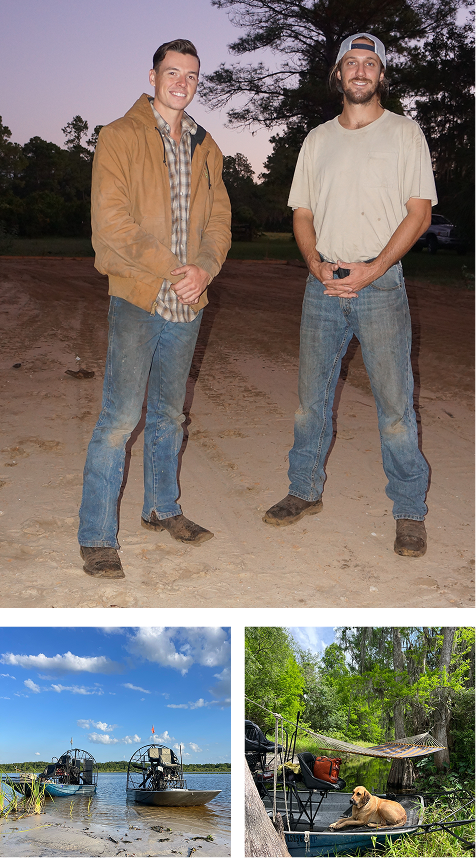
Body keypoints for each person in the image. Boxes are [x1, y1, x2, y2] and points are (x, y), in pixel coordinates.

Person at [263, 33, 436, 558]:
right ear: (338, 74)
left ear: (381, 75)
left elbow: (419, 214)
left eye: (370, 63)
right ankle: (303, 490)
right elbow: (302, 213)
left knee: (395, 406)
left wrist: (373, 269)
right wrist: (314, 263)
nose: (360, 71)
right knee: (309, 402)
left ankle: (409, 510)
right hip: (323, 284)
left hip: (380, 285)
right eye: (351, 63)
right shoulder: (317, 140)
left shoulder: (405, 133)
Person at [78, 39, 231, 577]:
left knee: (169, 413)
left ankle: (163, 508)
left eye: (191, 75)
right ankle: (97, 535)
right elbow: (111, 223)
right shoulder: (119, 136)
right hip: (140, 296)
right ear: (152, 76)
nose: (182, 82)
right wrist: (173, 268)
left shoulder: (206, 145)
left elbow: (219, 222)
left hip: (188, 301)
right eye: (173, 72)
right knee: (120, 418)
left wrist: (204, 269)